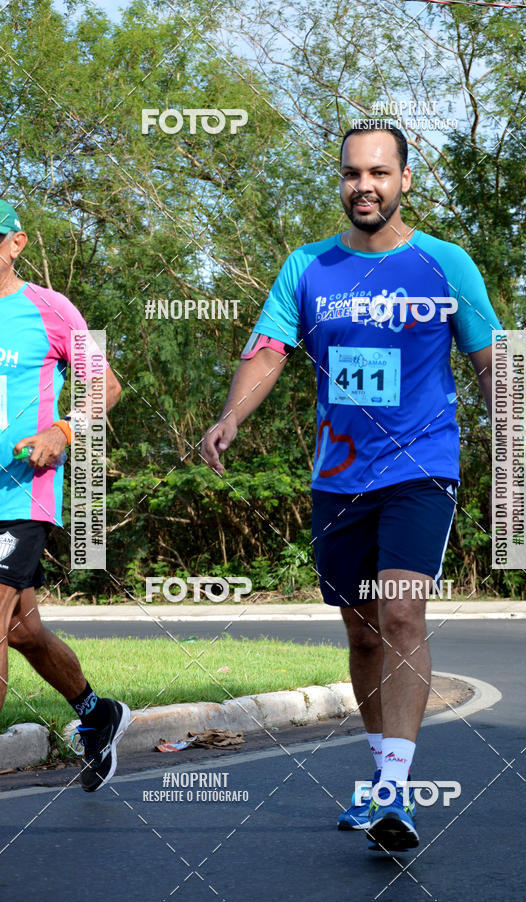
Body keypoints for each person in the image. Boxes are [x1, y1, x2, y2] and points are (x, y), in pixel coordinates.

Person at [201, 122, 500, 851]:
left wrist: (513, 439)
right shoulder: (308, 268)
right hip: (338, 476)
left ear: (405, 180)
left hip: (422, 466)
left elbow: (492, 358)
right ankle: (377, 779)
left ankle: (397, 792)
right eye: (350, 174)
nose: (363, 186)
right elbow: (269, 350)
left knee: (401, 618)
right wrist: (231, 415)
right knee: (363, 633)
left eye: (378, 172)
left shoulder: (445, 264)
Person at [0, 200, 130, 791]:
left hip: (19, 494)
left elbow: (107, 386)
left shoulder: (49, 310)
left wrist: (64, 431)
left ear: (15, 243)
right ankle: (96, 714)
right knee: (22, 630)